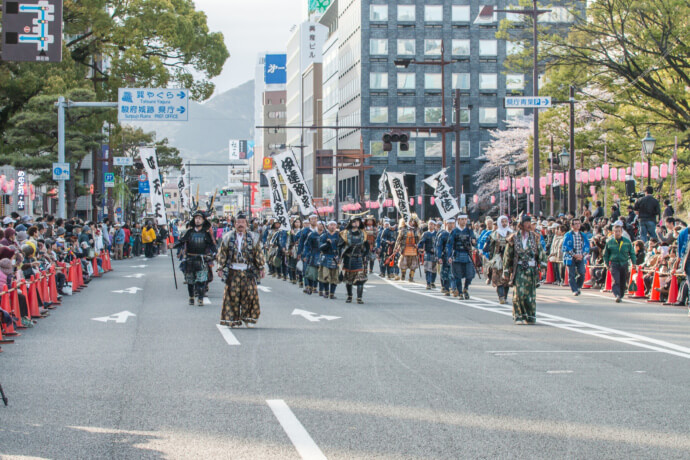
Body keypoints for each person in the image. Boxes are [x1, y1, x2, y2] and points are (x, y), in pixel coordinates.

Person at [216, 212, 265, 328]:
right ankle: (233, 320)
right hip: (233, 270)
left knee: (250, 295)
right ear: (234, 224)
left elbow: (258, 253)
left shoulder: (253, 237)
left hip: (247, 270)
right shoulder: (228, 236)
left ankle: (248, 318)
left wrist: (261, 267)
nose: (240, 224)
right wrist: (220, 267)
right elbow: (222, 253)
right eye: (238, 222)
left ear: (247, 224)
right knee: (232, 296)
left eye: (243, 222)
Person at [503, 215, 547, 324]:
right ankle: (518, 316)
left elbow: (541, 252)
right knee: (518, 294)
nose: (529, 225)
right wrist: (506, 270)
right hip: (519, 269)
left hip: (531, 270)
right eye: (526, 222)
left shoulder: (535, 237)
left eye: (530, 222)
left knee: (530, 295)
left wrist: (543, 266)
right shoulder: (514, 237)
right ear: (521, 224)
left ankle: (530, 316)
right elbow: (508, 255)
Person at [176, 211, 215, 306]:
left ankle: (200, 298)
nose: (197, 220)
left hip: (201, 259)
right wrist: (172, 245)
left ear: (203, 220)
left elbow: (212, 246)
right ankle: (191, 297)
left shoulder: (206, 234)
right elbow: (181, 242)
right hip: (190, 259)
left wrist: (215, 253)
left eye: (199, 218)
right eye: (196, 218)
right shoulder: (189, 232)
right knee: (190, 280)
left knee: (201, 280)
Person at [338, 216, 370, 304]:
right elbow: (340, 246)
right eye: (354, 221)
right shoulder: (345, 233)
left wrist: (365, 255)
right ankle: (349, 296)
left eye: (358, 221)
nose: (356, 223)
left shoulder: (363, 233)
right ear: (351, 222)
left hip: (359, 258)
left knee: (360, 279)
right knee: (349, 280)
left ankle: (359, 298)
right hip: (348, 258)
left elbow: (367, 246)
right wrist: (339, 257)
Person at [603, 221, 636, 303]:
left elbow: (632, 253)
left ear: (621, 232)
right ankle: (617, 295)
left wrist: (634, 263)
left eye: (619, 231)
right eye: (615, 231)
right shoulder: (610, 242)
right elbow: (606, 254)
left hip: (624, 263)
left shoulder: (627, 242)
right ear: (613, 232)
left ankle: (621, 294)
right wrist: (607, 264)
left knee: (623, 280)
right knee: (615, 279)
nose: (617, 233)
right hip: (614, 263)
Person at [446, 215, 477, 299]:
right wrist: (449, 256)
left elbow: (474, 240)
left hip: (467, 255)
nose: (464, 221)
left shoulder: (469, 231)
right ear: (458, 220)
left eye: (465, 219)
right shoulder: (454, 231)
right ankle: (460, 292)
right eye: (462, 219)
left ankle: (466, 288)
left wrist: (474, 242)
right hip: (457, 255)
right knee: (457, 275)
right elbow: (449, 244)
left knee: (470, 274)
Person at [487, 215, 513, 304]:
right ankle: (501, 297)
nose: (504, 223)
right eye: (502, 221)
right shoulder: (494, 234)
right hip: (498, 258)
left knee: (507, 279)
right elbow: (491, 248)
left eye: (506, 221)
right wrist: (491, 259)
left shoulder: (512, 233)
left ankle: (505, 296)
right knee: (498, 279)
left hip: (509, 259)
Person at [562, 217, 590, 296]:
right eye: (576, 224)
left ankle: (577, 286)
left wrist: (582, 255)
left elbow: (587, 246)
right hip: (570, 257)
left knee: (582, 272)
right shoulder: (568, 235)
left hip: (580, 256)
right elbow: (565, 246)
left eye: (579, 223)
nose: (578, 225)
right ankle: (574, 290)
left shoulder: (583, 235)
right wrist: (574, 254)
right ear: (572, 225)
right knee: (571, 274)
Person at [393, 215, 420, 282]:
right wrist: (396, 247)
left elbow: (419, 240)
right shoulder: (403, 230)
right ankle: (403, 275)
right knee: (403, 263)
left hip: (413, 249)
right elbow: (399, 239)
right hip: (405, 249)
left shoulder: (416, 230)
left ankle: (411, 277)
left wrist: (419, 246)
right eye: (410, 221)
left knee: (413, 264)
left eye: (412, 221)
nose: (411, 222)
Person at [318, 221, 340, 299]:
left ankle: (332, 293)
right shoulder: (323, 236)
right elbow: (320, 247)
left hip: (335, 257)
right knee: (326, 276)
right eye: (331, 225)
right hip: (326, 257)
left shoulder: (339, 236)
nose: (332, 226)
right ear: (327, 226)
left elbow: (341, 247)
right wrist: (326, 244)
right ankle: (326, 292)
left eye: (334, 225)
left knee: (335, 277)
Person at [436, 218, 455, 296]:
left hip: (455, 256)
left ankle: (454, 288)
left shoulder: (457, 233)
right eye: (449, 223)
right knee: (445, 273)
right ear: (446, 224)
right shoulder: (443, 234)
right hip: (445, 256)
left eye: (452, 223)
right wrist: (439, 256)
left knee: (454, 273)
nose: (451, 225)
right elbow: (439, 246)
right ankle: (446, 288)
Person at [417, 220, 438, 290]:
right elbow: (421, 242)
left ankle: (432, 282)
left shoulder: (437, 234)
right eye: (429, 224)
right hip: (428, 253)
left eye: (432, 224)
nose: (430, 225)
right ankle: (428, 283)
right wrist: (419, 247)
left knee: (434, 269)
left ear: (435, 225)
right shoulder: (425, 234)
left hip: (435, 254)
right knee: (428, 269)